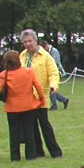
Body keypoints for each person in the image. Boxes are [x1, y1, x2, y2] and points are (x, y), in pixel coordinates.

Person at [19, 29, 62, 158]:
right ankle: (38, 151)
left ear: (35, 41)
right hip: (26, 97)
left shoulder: (46, 56)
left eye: (30, 41)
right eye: (25, 42)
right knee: (31, 125)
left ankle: (55, 151)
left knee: (44, 124)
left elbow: (53, 73)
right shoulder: (22, 56)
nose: (28, 44)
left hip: (41, 96)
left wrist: (54, 86)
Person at [0, 49, 46, 161]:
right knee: (29, 130)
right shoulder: (28, 72)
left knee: (13, 132)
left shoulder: (3, 74)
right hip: (28, 105)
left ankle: (15, 156)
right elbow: (38, 87)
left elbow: (0, 90)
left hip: (12, 107)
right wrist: (41, 100)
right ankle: (31, 155)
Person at [41, 40, 70, 109]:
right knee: (50, 89)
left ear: (46, 46)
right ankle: (64, 100)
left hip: (56, 72)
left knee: (51, 88)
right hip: (49, 72)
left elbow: (56, 62)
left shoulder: (54, 51)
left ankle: (55, 105)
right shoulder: (48, 52)